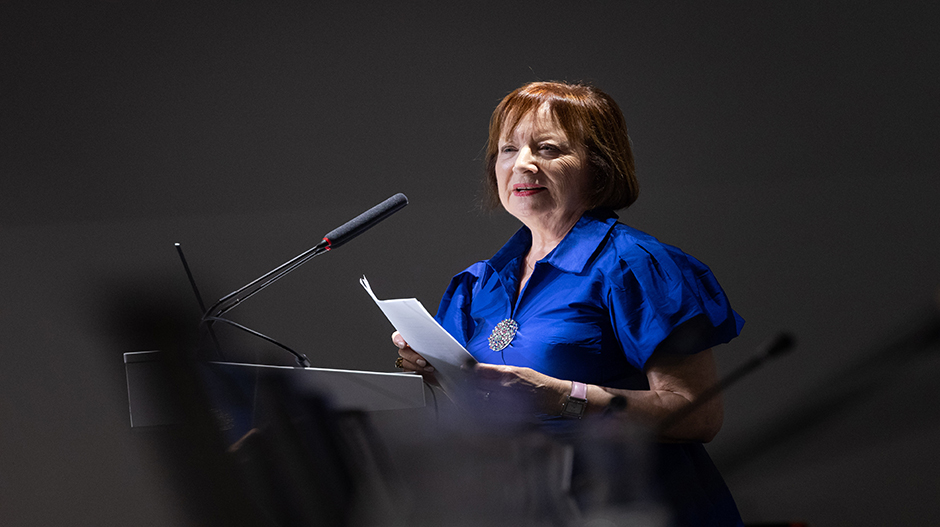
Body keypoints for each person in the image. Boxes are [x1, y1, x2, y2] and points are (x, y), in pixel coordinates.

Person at [392, 81, 745, 526]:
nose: (523, 164)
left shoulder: (637, 265)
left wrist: (562, 396)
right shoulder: (477, 284)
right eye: (508, 149)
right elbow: (479, 416)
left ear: (598, 167)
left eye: (549, 148)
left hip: (630, 507)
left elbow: (699, 415)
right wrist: (436, 372)